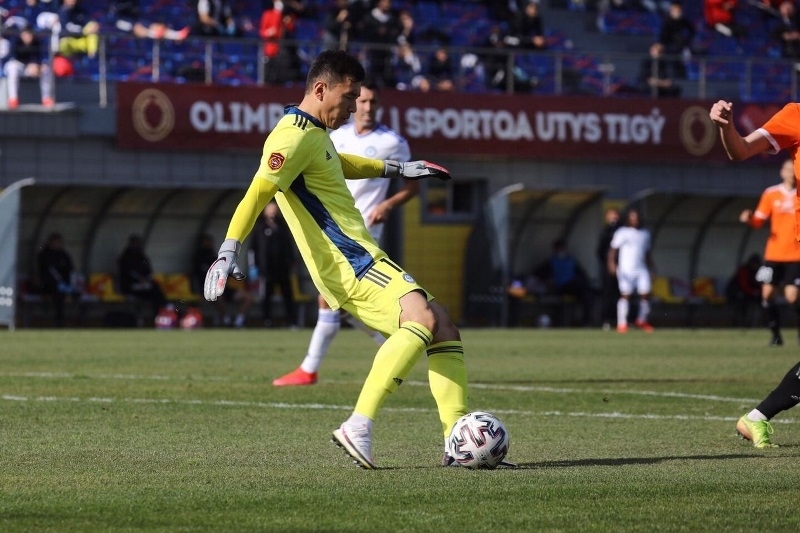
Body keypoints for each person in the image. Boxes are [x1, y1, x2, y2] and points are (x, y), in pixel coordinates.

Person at [203, 49, 468, 469]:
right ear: (321, 89)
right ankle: (358, 426)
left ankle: (457, 440)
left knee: (443, 324)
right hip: (351, 261)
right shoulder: (290, 137)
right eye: (348, 98)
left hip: (361, 255)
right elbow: (258, 191)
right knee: (421, 318)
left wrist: (399, 169)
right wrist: (228, 249)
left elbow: (338, 163)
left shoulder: (313, 133)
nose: (352, 108)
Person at [272, 81, 417, 387]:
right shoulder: (336, 136)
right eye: (362, 101)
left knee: (329, 297)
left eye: (372, 102)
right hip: (331, 225)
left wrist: (388, 204)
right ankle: (394, 342)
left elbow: (412, 186)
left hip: (364, 230)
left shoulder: (393, 142)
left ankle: (309, 369)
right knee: (338, 300)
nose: (367, 107)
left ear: (379, 105)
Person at [709, 99, 800, 448]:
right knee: (774, 294)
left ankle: (757, 417)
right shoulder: (794, 115)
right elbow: (741, 149)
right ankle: (757, 416)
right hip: (781, 252)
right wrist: (726, 127)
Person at [738, 159, 800, 346]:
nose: (791, 173)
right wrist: (749, 218)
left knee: (792, 297)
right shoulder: (771, 194)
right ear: (782, 172)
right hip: (773, 254)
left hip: (796, 255)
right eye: (788, 169)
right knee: (766, 294)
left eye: (794, 169)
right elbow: (758, 221)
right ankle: (776, 336)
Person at [607, 207, 656, 333]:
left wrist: (652, 268)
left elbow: (647, 253)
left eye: (637, 218)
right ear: (628, 219)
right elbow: (613, 250)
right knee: (626, 294)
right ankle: (622, 323)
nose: (635, 220)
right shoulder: (622, 232)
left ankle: (642, 320)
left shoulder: (645, 233)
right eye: (632, 218)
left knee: (645, 294)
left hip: (641, 269)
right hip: (626, 269)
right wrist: (612, 264)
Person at [251, 201, 298, 328]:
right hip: (266, 269)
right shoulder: (260, 228)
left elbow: (289, 246)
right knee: (266, 296)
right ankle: (266, 321)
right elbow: (253, 249)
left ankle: (292, 321)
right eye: (270, 210)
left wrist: (292, 262)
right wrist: (254, 266)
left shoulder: (282, 227)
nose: (273, 213)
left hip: (283, 268)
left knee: (288, 295)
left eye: (275, 210)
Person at [192, 233, 253, 328]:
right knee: (218, 297)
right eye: (206, 242)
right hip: (208, 289)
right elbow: (199, 277)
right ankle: (225, 319)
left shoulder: (215, 257)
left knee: (248, 297)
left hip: (224, 288)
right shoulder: (198, 259)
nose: (208, 244)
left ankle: (239, 320)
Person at [534, 238, 594, 326]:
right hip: (561, 287)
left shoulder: (571, 260)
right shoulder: (551, 261)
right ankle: (585, 321)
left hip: (573, 286)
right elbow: (538, 273)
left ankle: (586, 320)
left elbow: (582, 274)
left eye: (563, 248)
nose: (561, 250)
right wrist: (548, 281)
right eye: (559, 248)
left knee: (586, 292)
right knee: (581, 289)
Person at [3, 25, 55, 109]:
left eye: (29, 34)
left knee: (46, 69)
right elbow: (12, 57)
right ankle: (13, 99)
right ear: (21, 34)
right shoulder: (16, 41)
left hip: (31, 69)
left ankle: (46, 98)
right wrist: (29, 65)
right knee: (12, 68)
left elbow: (42, 57)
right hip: (17, 66)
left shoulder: (37, 42)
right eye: (25, 34)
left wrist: (38, 65)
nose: (27, 37)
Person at [117, 234, 168, 319]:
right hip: (130, 286)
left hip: (143, 286)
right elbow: (127, 272)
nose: (137, 245)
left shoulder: (142, 257)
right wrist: (140, 279)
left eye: (138, 243)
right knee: (154, 290)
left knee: (156, 289)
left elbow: (148, 270)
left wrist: (147, 278)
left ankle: (162, 312)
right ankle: (161, 313)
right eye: (135, 243)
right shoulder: (125, 258)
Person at [36, 232, 80, 327]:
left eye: (58, 242)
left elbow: (70, 270)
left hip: (63, 285)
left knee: (76, 293)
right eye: (54, 242)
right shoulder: (44, 255)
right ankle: (59, 320)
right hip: (48, 285)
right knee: (57, 293)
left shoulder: (64, 255)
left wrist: (68, 283)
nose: (56, 244)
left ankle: (77, 321)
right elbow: (44, 272)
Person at [110, 0, 190, 42]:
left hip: (133, 19)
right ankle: (153, 34)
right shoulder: (117, 8)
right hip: (121, 22)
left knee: (153, 25)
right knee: (138, 28)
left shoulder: (133, 5)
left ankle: (177, 35)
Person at [596, 207, 621, 331]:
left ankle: (621, 320)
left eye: (615, 214)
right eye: (611, 215)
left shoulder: (623, 231)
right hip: (609, 269)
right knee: (608, 294)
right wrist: (609, 264)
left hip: (624, 267)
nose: (614, 217)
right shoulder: (605, 232)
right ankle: (606, 320)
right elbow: (600, 251)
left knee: (622, 294)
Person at [657, 1, 695, 78]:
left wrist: (686, 41)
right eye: (676, 10)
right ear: (671, 11)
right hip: (669, 47)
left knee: (683, 60)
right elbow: (663, 37)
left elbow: (692, 31)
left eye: (679, 11)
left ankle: (682, 75)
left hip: (681, 47)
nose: (678, 13)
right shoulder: (667, 22)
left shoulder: (684, 21)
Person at [725, 252, 762, 327]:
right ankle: (740, 323)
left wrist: (758, 293)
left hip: (751, 296)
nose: (755, 266)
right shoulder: (744, 270)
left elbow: (762, 285)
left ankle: (753, 324)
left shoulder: (759, 272)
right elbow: (744, 285)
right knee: (741, 305)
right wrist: (754, 292)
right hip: (738, 294)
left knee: (758, 304)